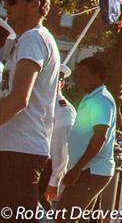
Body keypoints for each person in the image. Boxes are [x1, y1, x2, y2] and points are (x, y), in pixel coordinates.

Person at [0, 0, 61, 219]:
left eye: (13, 1)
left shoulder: (33, 38)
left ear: (34, 5)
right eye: (7, 1)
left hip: (19, 152)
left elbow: (18, 99)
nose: (7, 6)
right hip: (16, 149)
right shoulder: (28, 40)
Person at [56, 56, 118, 221]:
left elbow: (100, 137)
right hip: (86, 171)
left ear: (96, 76)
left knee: (64, 217)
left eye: (82, 75)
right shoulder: (92, 97)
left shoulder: (101, 100)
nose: (78, 80)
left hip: (90, 171)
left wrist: (77, 169)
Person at [40, 65, 77, 206]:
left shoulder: (63, 109)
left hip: (46, 168)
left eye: (55, 80)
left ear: (61, 83)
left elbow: (61, 148)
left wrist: (53, 181)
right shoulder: (39, 101)